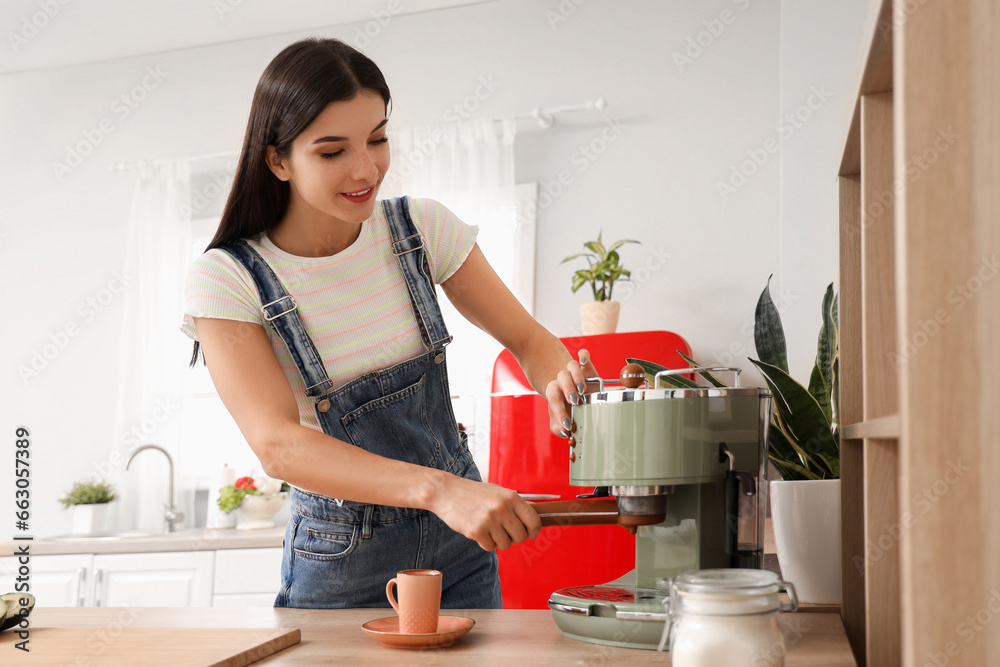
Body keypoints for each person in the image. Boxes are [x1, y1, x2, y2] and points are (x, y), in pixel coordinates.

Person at [181, 37, 597, 609]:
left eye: (377, 139)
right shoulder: (229, 278)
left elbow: (529, 340)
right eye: (332, 151)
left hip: (461, 543)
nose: (365, 168)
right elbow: (279, 445)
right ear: (278, 159)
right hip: (345, 554)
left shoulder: (421, 229)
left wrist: (562, 381)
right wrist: (441, 490)